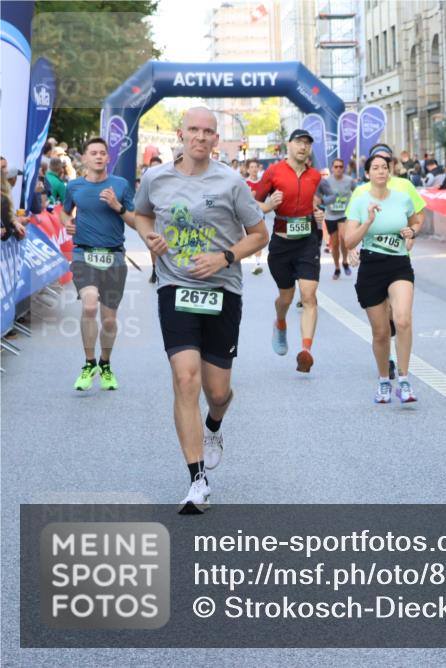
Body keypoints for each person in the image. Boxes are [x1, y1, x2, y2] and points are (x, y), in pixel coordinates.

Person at [132, 106, 268, 513]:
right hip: (175, 286)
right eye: (193, 129)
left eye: (208, 131)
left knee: (217, 391)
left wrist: (224, 257)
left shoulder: (231, 181)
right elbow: (141, 214)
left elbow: (259, 234)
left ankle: (214, 426)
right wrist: (149, 236)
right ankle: (197, 481)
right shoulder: (156, 178)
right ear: (181, 133)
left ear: (215, 139)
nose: (201, 137)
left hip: (222, 290)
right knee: (185, 379)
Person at [343, 150, 422, 403]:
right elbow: (349, 240)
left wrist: (412, 232)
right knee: (380, 332)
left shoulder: (402, 198)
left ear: (390, 171)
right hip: (371, 266)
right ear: (367, 173)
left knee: (402, 320)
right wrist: (367, 222)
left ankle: (405, 380)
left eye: (384, 167)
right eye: (375, 167)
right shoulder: (359, 200)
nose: (381, 171)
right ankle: (383, 381)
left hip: (399, 264)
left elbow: (416, 223)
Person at [59, 137, 137, 391]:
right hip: (84, 255)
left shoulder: (120, 185)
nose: (99, 157)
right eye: (93, 153)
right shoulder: (75, 186)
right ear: (84, 158)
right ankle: (89, 362)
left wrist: (117, 206)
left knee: (110, 320)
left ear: (108, 158)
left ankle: (105, 363)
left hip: (114, 257)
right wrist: (66, 222)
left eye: (103, 153)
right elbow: (64, 211)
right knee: (90, 306)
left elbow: (136, 220)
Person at [254, 129, 324, 373]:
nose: (303, 147)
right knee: (286, 297)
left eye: (307, 143)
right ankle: (281, 323)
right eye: (299, 142)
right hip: (282, 245)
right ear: (289, 145)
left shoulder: (315, 176)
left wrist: (319, 214)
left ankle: (306, 351)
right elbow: (254, 203)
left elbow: (317, 202)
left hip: (307, 242)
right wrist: (268, 205)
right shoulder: (274, 172)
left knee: (309, 296)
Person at [322, 158, 356, 279]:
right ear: (332, 168)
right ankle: (337, 268)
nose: (338, 169)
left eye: (341, 167)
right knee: (335, 244)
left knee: (344, 239)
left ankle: (345, 261)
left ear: (344, 168)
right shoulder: (326, 181)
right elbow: (319, 196)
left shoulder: (349, 180)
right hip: (331, 215)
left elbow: (357, 193)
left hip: (344, 215)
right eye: (336, 167)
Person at [243, 158, 267, 275]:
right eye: (251, 167)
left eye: (255, 167)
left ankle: (257, 263)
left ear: (259, 168)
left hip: (260, 214)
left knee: (258, 238)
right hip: (247, 215)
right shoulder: (243, 183)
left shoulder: (263, 183)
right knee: (250, 238)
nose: (253, 169)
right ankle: (250, 251)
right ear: (248, 169)